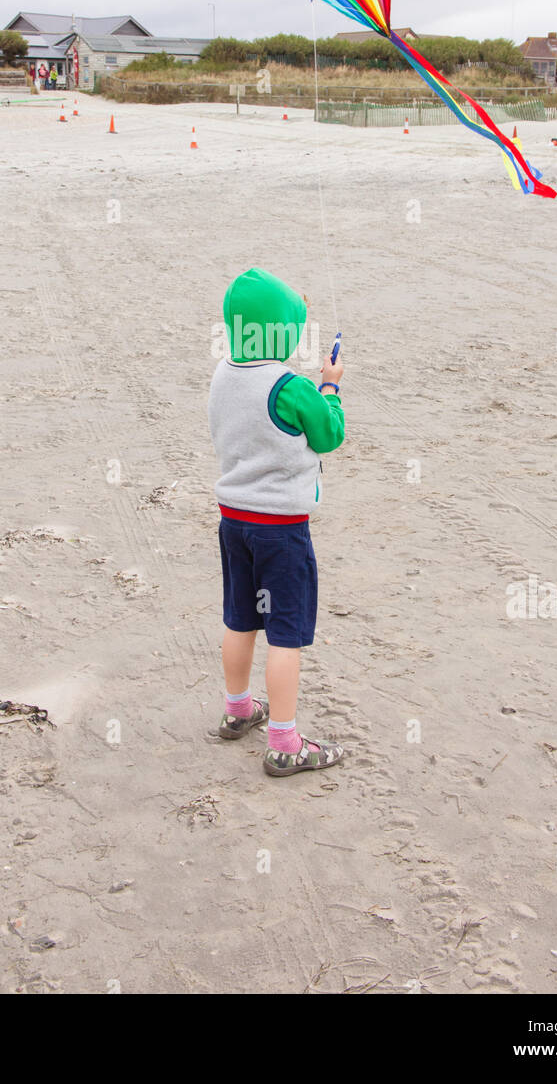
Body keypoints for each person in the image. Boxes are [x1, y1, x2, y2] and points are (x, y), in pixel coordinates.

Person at [207, 268, 345, 777]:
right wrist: (329, 388)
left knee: (240, 618)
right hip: (281, 531)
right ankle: (285, 743)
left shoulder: (223, 373)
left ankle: (238, 707)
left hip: (233, 523)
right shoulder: (291, 387)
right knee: (286, 634)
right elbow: (329, 435)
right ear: (280, 333)